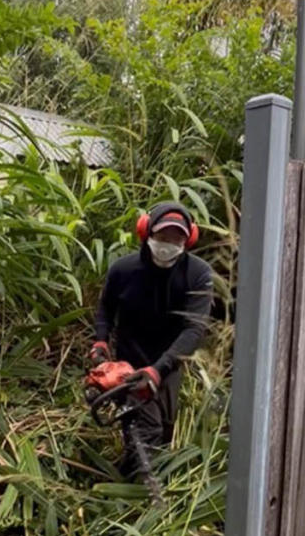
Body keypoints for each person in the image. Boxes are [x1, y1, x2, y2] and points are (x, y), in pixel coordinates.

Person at [90, 202, 215, 477]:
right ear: (147, 232)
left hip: (169, 362)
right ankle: (143, 503)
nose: (169, 243)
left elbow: (194, 330)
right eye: (163, 236)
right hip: (130, 365)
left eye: (176, 238)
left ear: (188, 239)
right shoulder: (123, 270)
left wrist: (159, 370)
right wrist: (101, 342)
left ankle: (122, 478)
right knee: (148, 432)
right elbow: (106, 309)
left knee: (164, 432)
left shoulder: (198, 275)